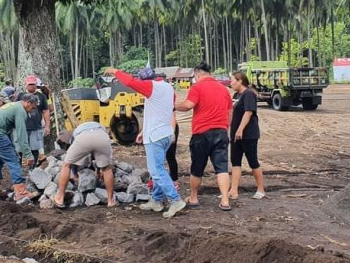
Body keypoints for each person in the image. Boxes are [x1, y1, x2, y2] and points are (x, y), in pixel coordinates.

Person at [106, 66, 185, 218]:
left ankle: (175, 200)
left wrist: (114, 71)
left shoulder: (151, 87)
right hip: (165, 133)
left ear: (145, 80)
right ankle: (156, 200)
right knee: (159, 168)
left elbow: (129, 82)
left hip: (155, 137)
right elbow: (160, 112)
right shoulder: (168, 87)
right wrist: (143, 131)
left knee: (156, 171)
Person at [175, 62, 233, 211]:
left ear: (197, 74)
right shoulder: (224, 89)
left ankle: (193, 197)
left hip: (201, 133)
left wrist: (173, 105)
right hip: (221, 132)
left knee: (197, 167)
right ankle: (225, 200)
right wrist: (226, 129)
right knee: (222, 168)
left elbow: (188, 105)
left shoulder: (197, 87)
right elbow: (229, 113)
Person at [0, 93, 40, 201]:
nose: (33, 109)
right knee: (14, 161)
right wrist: (28, 154)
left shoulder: (13, 105)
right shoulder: (20, 111)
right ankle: (21, 192)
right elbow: (21, 134)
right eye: (33, 106)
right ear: (28, 102)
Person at [53, 122, 116, 209]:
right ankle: (111, 200)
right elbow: (96, 154)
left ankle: (59, 198)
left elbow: (73, 162)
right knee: (107, 168)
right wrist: (99, 170)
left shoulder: (75, 133)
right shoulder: (100, 127)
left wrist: (75, 174)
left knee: (66, 165)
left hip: (84, 137)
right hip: (102, 137)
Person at [228, 71, 265, 200]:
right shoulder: (236, 95)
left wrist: (240, 129)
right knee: (235, 161)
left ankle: (260, 189)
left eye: (232, 80)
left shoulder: (249, 93)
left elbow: (248, 113)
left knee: (252, 161)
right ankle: (233, 190)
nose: (230, 83)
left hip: (248, 134)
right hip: (235, 134)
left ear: (240, 81)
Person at [16, 75, 50, 166]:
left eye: (33, 84)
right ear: (26, 85)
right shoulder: (21, 96)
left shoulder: (41, 96)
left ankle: (32, 169)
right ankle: (18, 170)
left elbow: (46, 111)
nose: (31, 86)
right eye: (29, 84)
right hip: (21, 127)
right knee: (19, 149)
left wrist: (47, 126)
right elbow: (15, 109)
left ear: (36, 85)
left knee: (34, 149)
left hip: (36, 126)